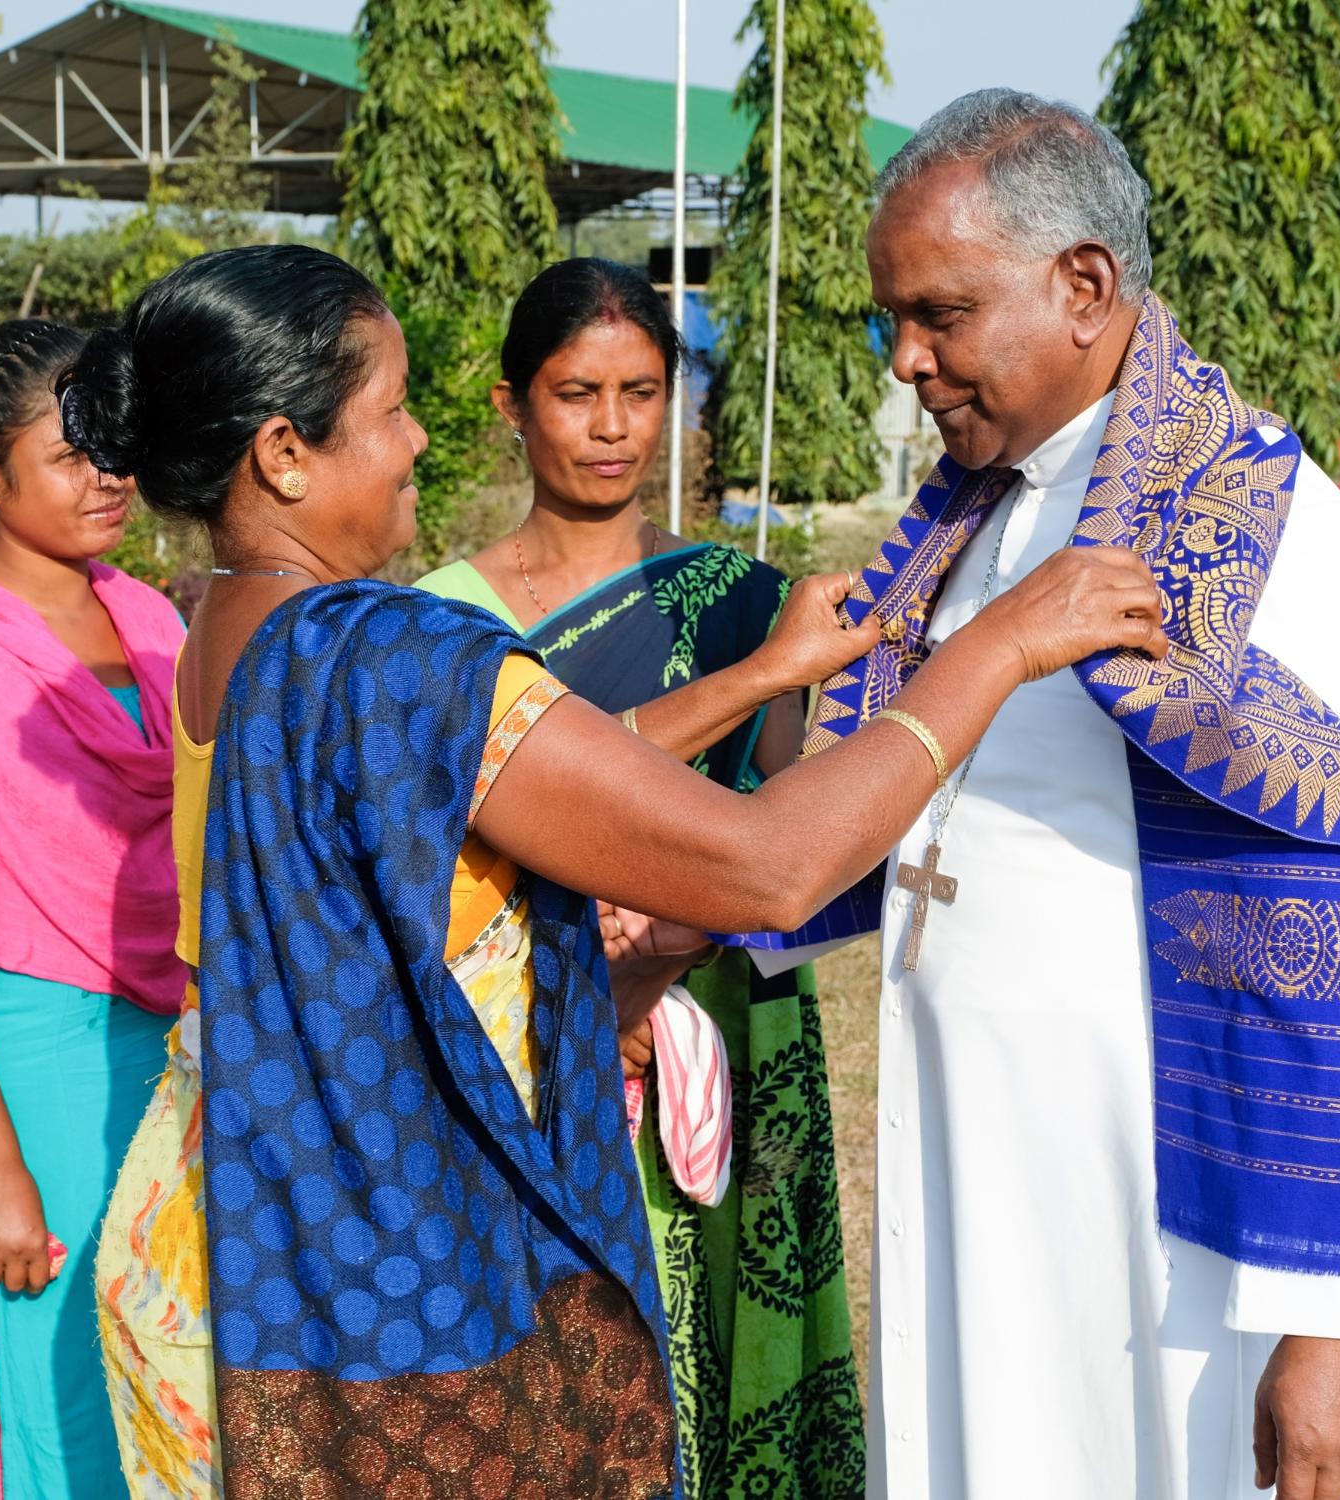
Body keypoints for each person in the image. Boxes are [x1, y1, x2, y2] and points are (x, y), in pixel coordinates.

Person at [59, 242, 1164, 1498]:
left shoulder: (227, 629)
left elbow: (529, 788)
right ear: (282, 454)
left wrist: (759, 677)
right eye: (390, 409)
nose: (419, 440)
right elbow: (768, 867)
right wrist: (1007, 644)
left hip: (209, 1230)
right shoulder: (391, 654)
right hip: (371, 1277)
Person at [805, 89, 1340, 1500]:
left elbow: (1332, 930)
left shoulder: (1267, 534)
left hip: (1171, 1240)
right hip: (982, 1168)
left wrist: (1336, 1320)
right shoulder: (978, 519)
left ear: (1086, 288)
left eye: (942, 314)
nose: (907, 359)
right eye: (892, 318)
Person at [420, 256, 866, 1496]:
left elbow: (792, 824)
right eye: (576, 392)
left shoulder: (745, 601)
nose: (611, 427)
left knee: (734, 1353)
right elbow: (474, 833)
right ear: (514, 403)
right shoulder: (447, 621)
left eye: (641, 389)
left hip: (725, 1014)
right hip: (542, 1034)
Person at [0, 321, 185, 1499]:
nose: (109, 476)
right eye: (73, 451)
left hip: (166, 1063)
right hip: (19, 1076)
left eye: (118, 446)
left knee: (155, 1392)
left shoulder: (158, 623)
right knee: (38, 1405)